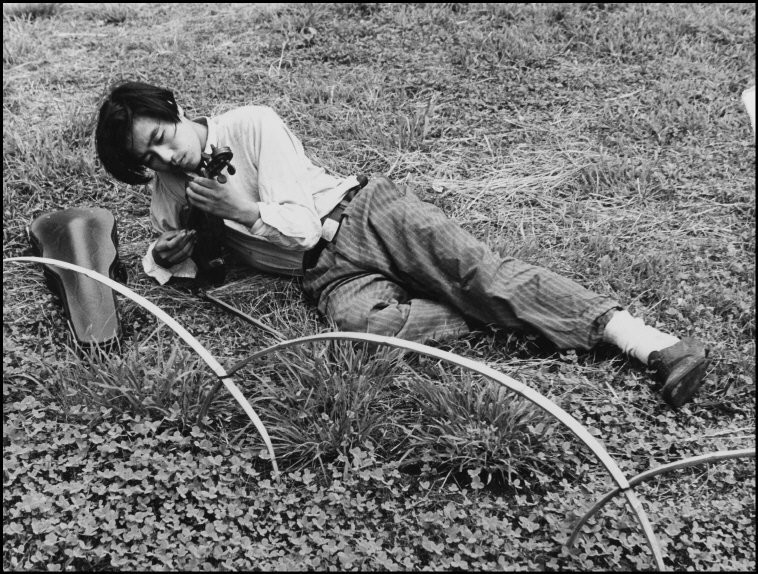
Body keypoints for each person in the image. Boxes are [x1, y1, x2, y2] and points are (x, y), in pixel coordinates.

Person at [94, 80, 711, 409]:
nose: (167, 157)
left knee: (481, 275)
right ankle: (494, 313)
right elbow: (181, 251)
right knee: (361, 328)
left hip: (366, 213)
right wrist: (169, 254)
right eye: (149, 158)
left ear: (174, 107)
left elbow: (300, 224)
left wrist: (244, 211)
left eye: (163, 137)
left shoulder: (250, 124)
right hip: (326, 275)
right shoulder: (170, 192)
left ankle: (652, 345)